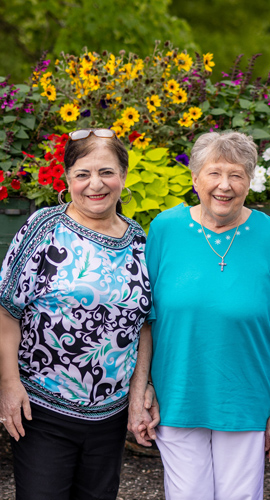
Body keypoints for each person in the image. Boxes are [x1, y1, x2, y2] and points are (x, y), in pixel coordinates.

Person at [128, 131, 270, 500]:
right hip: (176, 396)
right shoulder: (164, 229)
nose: (225, 185)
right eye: (214, 173)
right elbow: (146, 320)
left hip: (247, 399)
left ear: (250, 182)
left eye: (237, 175)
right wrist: (142, 389)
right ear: (194, 178)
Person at [0, 128, 151, 499]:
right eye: (83, 174)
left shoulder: (139, 240)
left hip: (110, 416)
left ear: (124, 176)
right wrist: (8, 385)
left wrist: (138, 391)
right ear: (67, 178)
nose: (95, 184)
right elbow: (7, 311)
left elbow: (145, 324)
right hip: (42, 410)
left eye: (107, 172)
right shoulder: (43, 228)